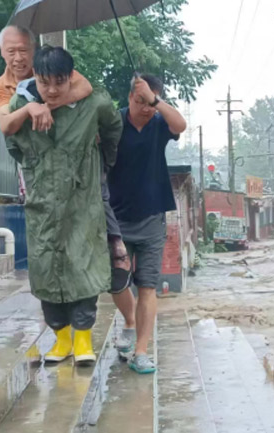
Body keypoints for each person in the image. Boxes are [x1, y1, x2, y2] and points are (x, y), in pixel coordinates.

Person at [6, 46, 123, 365]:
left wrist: (102, 163)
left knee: (84, 266)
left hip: (82, 202)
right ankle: (62, 340)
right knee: (46, 270)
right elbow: (11, 141)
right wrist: (33, 166)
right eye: (45, 83)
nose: (52, 90)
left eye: (60, 81)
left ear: (71, 77)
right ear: (36, 79)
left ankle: (83, 340)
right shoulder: (22, 104)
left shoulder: (93, 103)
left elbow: (113, 128)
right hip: (42, 205)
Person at [0, 25, 132, 294]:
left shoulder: (56, 68)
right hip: (44, 172)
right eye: (11, 51)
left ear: (33, 52)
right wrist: (30, 108)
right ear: (1, 52)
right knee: (51, 242)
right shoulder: (4, 88)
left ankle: (115, 245)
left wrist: (50, 103)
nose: (18, 57)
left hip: (80, 159)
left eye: (24, 50)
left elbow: (86, 90)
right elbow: (7, 128)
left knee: (95, 202)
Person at [108, 74, 186, 374]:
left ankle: (141, 350)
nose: (145, 108)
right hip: (116, 216)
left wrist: (155, 102)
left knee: (148, 286)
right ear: (129, 97)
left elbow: (180, 125)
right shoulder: (114, 124)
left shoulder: (159, 125)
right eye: (139, 101)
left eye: (150, 103)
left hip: (153, 217)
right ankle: (129, 320)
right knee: (115, 280)